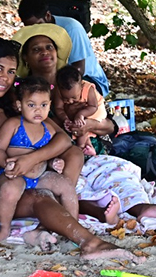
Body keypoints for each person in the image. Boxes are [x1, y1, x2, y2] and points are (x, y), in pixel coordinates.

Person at [0, 38, 137, 261]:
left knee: (72, 155)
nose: (4, 78)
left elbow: (63, 139)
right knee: (40, 197)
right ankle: (89, 242)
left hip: (21, 176)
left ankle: (68, 222)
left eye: (10, 72)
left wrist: (33, 159)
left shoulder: (12, 104)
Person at [0, 77, 78, 243]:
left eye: (43, 105)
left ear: (50, 105)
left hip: (40, 175)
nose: (38, 110)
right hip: (14, 174)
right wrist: (6, 163)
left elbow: (54, 151)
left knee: (65, 185)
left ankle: (72, 225)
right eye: (31, 105)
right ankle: (4, 227)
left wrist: (55, 163)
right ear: (19, 105)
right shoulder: (14, 124)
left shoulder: (48, 127)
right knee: (10, 190)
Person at [11, 24, 95, 182]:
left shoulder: (74, 82)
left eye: (49, 47)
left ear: (56, 53)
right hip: (49, 153)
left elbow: (110, 125)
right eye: (36, 49)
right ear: (25, 59)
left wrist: (88, 124)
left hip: (88, 148)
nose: (44, 52)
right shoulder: (21, 90)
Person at [18, 0, 110, 96]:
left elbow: (79, 69)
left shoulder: (72, 28)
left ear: (48, 16)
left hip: (89, 80)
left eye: (38, 24)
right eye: (29, 27)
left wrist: (51, 86)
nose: (35, 30)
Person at [55, 65, 107, 156]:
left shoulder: (88, 88)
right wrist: (65, 119)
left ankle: (81, 147)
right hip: (81, 112)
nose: (70, 101)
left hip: (95, 110)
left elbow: (93, 106)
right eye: (65, 98)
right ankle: (89, 147)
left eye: (74, 97)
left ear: (81, 86)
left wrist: (80, 114)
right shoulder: (58, 90)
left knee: (81, 125)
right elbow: (59, 108)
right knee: (76, 124)